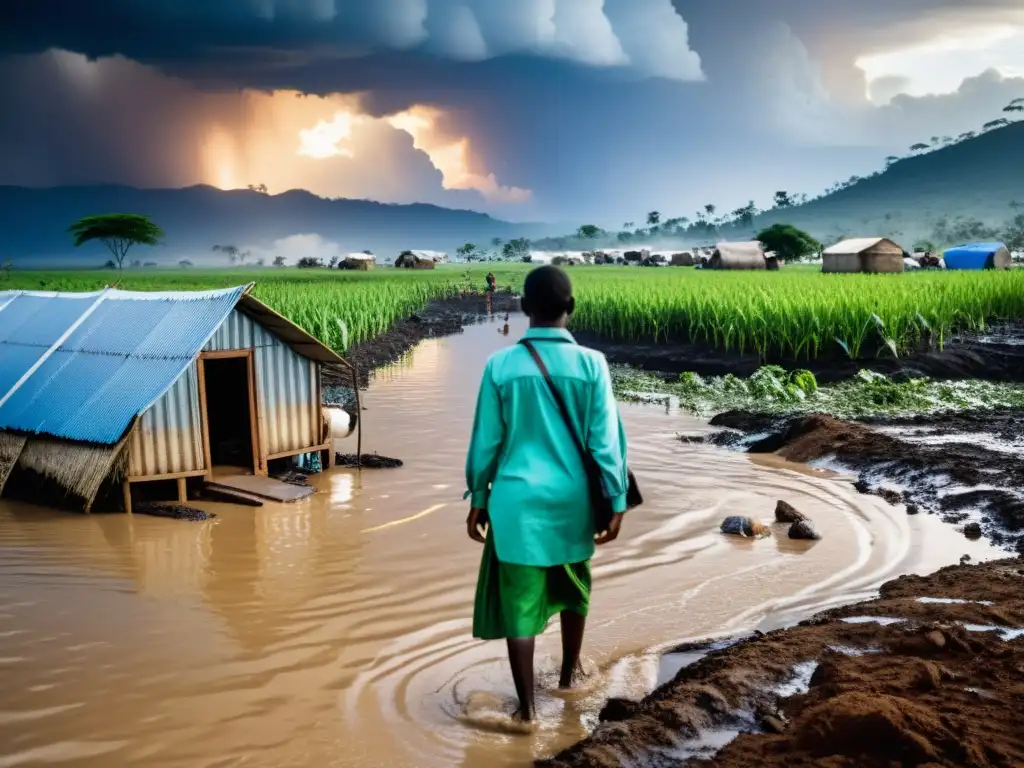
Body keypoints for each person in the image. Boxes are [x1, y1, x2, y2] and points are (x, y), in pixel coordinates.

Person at [464, 265, 630, 724]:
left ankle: (528, 712)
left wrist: (479, 495)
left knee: (519, 601)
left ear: (524, 309)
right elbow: (605, 443)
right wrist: (616, 501)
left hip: (515, 503)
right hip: (573, 501)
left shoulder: (500, 365)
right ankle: (569, 678)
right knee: (576, 587)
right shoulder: (592, 364)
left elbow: (487, 442)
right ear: (570, 308)